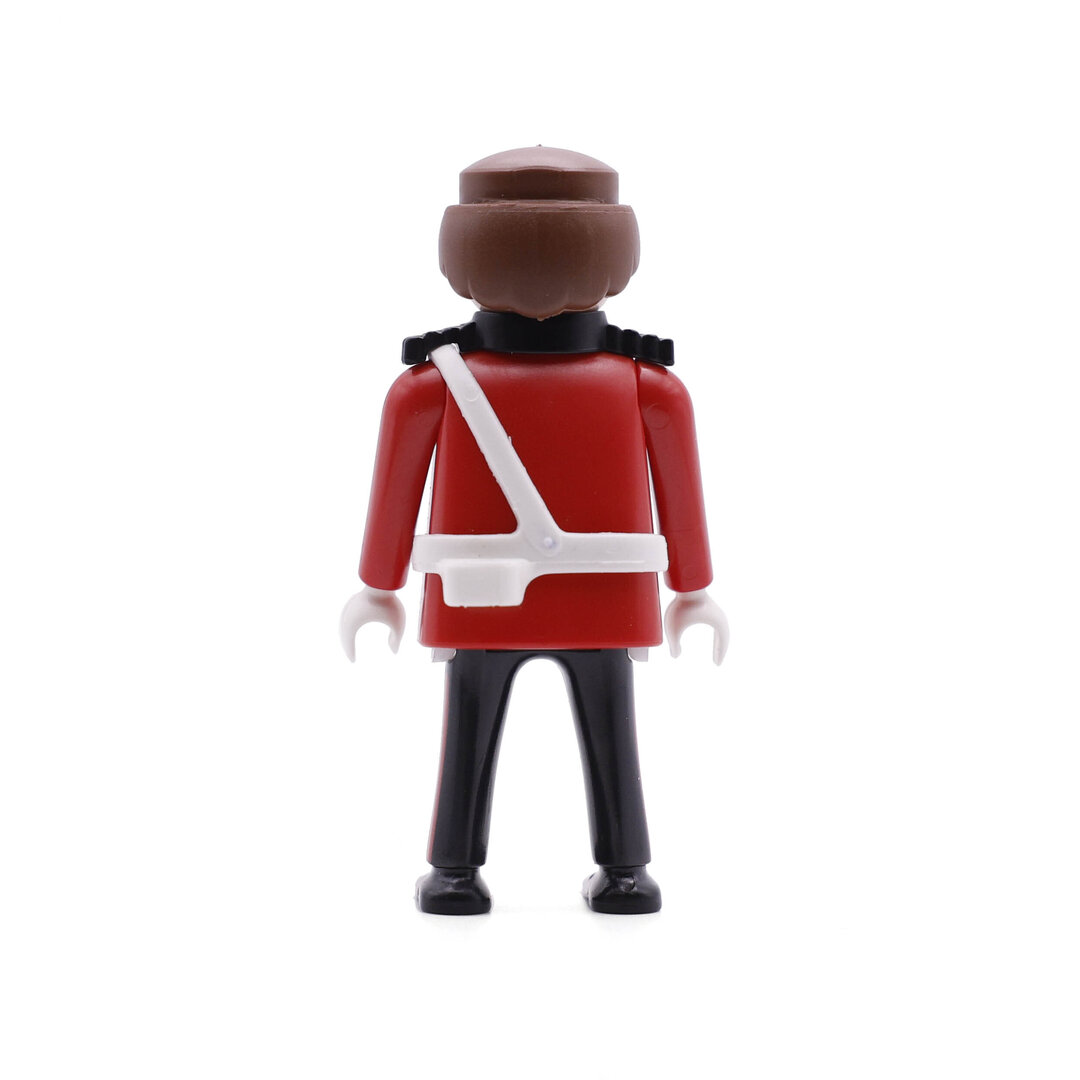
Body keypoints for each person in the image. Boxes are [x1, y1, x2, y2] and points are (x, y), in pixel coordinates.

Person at [341, 146, 728, 915]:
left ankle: (455, 874)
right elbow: (682, 497)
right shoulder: (649, 385)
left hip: (478, 596)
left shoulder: (429, 385)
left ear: (459, 259)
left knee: (470, 731)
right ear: (619, 258)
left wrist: (378, 588)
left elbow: (393, 497)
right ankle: (625, 873)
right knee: (609, 732)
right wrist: (693, 590)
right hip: (603, 597)